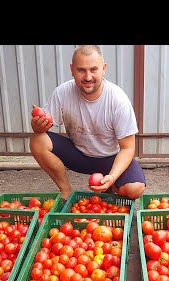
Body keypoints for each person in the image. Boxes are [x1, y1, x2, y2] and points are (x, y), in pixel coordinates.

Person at [30, 45, 146, 201]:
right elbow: (45, 125)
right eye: (81, 70)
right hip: (79, 154)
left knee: (134, 189)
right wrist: (37, 126)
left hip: (110, 158)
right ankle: (66, 191)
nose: (88, 77)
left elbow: (127, 148)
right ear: (72, 70)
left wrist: (112, 176)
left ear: (103, 69)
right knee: (38, 139)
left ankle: (110, 185)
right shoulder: (62, 92)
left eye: (93, 69)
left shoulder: (118, 100)